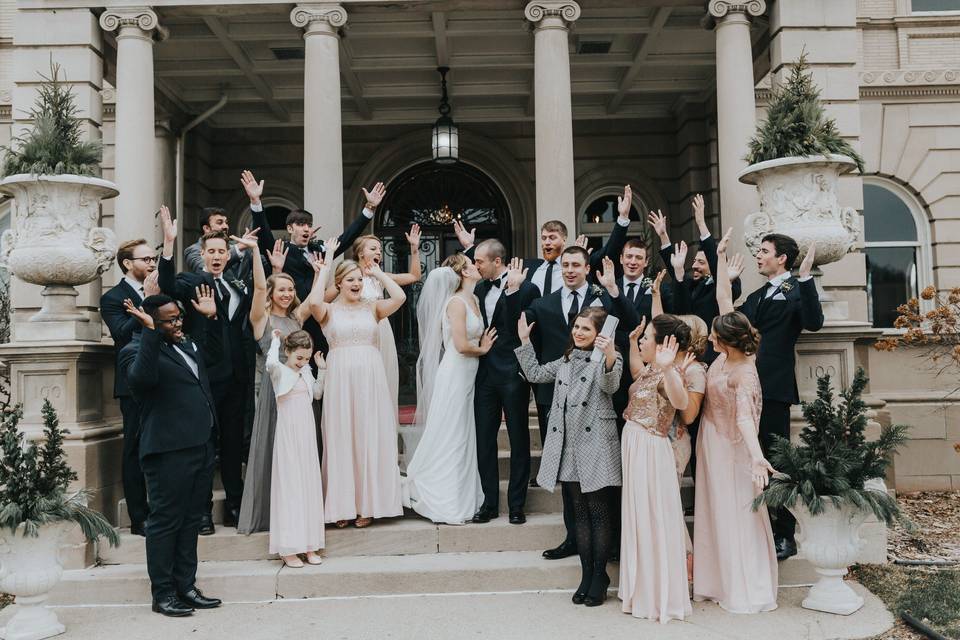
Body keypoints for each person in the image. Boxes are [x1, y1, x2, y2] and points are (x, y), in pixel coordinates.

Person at [457, 186, 633, 458]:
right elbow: (491, 262)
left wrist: (621, 220)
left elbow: (608, 251)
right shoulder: (530, 268)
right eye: (543, 238)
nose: (546, 242)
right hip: (545, 365)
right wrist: (470, 249)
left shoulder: (585, 276)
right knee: (552, 439)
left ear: (565, 241)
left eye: (552, 237)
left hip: (589, 370)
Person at [507, 249, 639, 561]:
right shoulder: (544, 302)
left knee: (602, 483)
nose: (569, 270)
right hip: (560, 398)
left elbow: (631, 324)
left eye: (575, 265)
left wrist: (613, 290)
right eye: (564, 265)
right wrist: (515, 301)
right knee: (571, 482)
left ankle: (610, 545)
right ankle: (574, 540)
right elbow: (523, 335)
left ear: (586, 268)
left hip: (601, 403)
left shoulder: (603, 299)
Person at [118, 294, 222, 617]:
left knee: (191, 520)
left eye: (179, 318)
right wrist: (150, 333)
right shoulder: (134, 351)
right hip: (167, 451)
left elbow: (217, 359)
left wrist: (211, 320)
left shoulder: (187, 344)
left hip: (200, 446)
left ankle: (186, 586)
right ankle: (162, 593)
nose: (178, 324)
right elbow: (142, 380)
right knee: (165, 523)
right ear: (150, 321)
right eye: (170, 320)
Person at [693, 230, 778, 614]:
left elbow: (745, 420)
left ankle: (743, 585)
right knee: (714, 511)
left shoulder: (743, 372)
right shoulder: (726, 356)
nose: (708, 338)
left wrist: (758, 458)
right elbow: (724, 302)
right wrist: (720, 256)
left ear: (726, 340)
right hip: (709, 441)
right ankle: (716, 581)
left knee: (735, 514)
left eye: (713, 335)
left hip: (733, 448)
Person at [157, 206, 256, 535]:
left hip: (237, 377)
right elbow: (168, 285)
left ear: (228, 255)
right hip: (206, 377)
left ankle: (234, 505)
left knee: (231, 444)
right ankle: (201, 512)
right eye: (211, 251)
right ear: (202, 254)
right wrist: (168, 245)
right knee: (205, 445)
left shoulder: (236, 286)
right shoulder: (193, 281)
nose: (216, 256)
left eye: (221, 252)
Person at [515, 308, 622, 607]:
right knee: (580, 514)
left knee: (599, 512)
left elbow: (609, 386)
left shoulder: (608, 359)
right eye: (577, 327)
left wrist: (610, 353)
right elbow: (535, 374)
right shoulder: (565, 360)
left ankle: (599, 576)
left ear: (600, 333)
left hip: (597, 445)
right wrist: (525, 341)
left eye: (586, 329)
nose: (578, 332)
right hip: (569, 446)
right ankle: (587, 575)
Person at [236, 233, 335, 535]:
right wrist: (255, 252)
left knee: (300, 455)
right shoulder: (261, 319)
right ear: (272, 292)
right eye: (281, 289)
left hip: (301, 395)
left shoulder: (296, 317)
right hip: (274, 392)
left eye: (291, 289)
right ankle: (271, 514)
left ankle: (301, 514)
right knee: (273, 448)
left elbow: (316, 298)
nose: (287, 293)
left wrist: (325, 265)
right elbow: (257, 287)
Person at [737, 232, 822, 560]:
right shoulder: (756, 296)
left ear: (782, 258)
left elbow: (814, 323)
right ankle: (751, 526)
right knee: (747, 456)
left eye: (764, 251)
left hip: (774, 387)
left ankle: (784, 532)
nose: (758, 256)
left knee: (777, 458)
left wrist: (806, 280)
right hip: (744, 385)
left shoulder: (796, 290)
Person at [242, 170, 384, 354]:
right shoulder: (280, 249)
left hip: (317, 315)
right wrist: (255, 202)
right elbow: (264, 233)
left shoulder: (319, 249)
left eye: (308, 224)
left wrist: (369, 208)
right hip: (292, 315)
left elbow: (347, 238)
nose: (306, 228)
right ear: (290, 228)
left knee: (319, 362)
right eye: (301, 225)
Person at [313, 259, 406, 528]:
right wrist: (323, 272)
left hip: (370, 378)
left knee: (368, 436)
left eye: (359, 279)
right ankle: (342, 506)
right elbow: (315, 301)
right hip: (340, 379)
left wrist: (377, 272)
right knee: (341, 437)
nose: (356, 284)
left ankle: (368, 505)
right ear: (339, 283)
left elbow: (399, 296)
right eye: (350, 279)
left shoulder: (373, 308)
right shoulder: (327, 310)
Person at [403, 254, 495, 524]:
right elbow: (461, 345)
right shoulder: (455, 303)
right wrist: (484, 348)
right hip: (456, 372)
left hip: (469, 374)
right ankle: (443, 494)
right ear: (463, 273)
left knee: (464, 433)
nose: (477, 267)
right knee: (452, 433)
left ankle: (463, 491)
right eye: (472, 264)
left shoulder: (474, 299)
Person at [618, 315, 696, 623]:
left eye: (647, 338)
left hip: (651, 451)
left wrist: (668, 367)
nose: (642, 341)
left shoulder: (667, 372)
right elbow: (636, 369)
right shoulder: (649, 370)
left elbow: (681, 402)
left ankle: (657, 595)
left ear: (663, 345)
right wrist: (629, 344)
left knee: (653, 518)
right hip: (636, 447)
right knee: (639, 518)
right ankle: (640, 590)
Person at [470, 243, 539, 525]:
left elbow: (519, 328)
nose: (475, 267)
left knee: (518, 438)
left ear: (497, 261)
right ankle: (489, 502)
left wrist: (511, 292)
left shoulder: (528, 289)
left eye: (479, 262)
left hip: (513, 372)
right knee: (484, 440)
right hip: (484, 373)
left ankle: (516, 504)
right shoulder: (478, 289)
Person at [328, 229, 422, 420]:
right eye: (373, 248)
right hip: (357, 332)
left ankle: (382, 422)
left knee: (383, 377)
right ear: (361, 253)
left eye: (380, 249)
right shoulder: (348, 277)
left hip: (381, 330)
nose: (379, 252)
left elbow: (414, 276)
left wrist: (414, 249)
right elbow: (323, 300)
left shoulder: (380, 275)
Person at [100, 238, 159, 537]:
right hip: (133, 384)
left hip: (163, 379)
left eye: (153, 258)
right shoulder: (112, 298)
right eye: (145, 259)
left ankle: (162, 508)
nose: (152, 263)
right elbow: (122, 335)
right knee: (134, 449)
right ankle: (139, 517)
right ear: (127, 263)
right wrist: (145, 305)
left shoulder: (159, 289)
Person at [650, 195, 744, 363]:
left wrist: (701, 224)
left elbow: (717, 266)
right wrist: (663, 236)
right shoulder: (693, 284)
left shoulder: (730, 283)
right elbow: (677, 273)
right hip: (685, 353)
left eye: (701, 262)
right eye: (694, 261)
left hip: (712, 354)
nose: (694, 265)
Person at [265, 329, 327, 568]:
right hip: (289, 435)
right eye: (298, 358)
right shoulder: (279, 371)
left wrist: (321, 368)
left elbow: (318, 394)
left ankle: (310, 545)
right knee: (291, 487)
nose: (302, 362)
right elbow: (270, 362)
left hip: (306, 435)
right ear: (288, 353)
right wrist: (275, 341)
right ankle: (289, 547)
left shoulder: (307, 372)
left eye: (306, 358)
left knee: (308, 486)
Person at [183, 207, 245, 276]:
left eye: (226, 223)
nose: (225, 226)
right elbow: (206, 271)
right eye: (219, 223)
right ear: (206, 228)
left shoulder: (234, 246)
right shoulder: (193, 250)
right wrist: (238, 248)